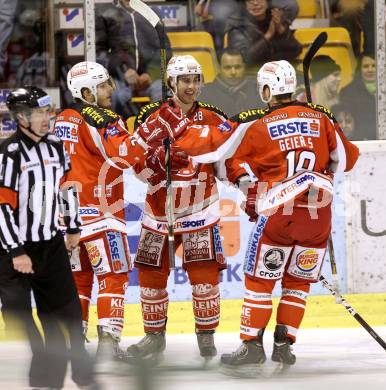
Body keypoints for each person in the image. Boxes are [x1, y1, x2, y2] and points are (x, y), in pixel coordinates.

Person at [140, 60, 359, 374]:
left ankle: (252, 346)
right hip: (319, 217)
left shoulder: (254, 120)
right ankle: (285, 343)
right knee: (297, 282)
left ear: (267, 89)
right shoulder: (322, 115)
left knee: (259, 281)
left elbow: (212, 148)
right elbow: (348, 159)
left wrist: (179, 135)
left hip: (279, 214)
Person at [54, 61, 186, 363]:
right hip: (101, 213)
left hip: (70, 216)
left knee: (80, 279)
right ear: (86, 91)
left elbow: (124, 160)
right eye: (103, 85)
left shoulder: (63, 117)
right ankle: (108, 344)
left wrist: (152, 165)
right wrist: (156, 127)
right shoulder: (102, 118)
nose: (111, 90)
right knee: (113, 276)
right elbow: (124, 154)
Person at [127, 55, 228, 362]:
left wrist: (247, 184)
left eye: (196, 79)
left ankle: (206, 337)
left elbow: (227, 162)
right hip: (159, 212)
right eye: (185, 80)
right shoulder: (153, 118)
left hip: (199, 211)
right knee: (151, 277)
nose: (192, 86)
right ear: (171, 83)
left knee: (204, 277)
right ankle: (154, 338)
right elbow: (135, 163)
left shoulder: (213, 117)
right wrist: (153, 163)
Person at [0, 86, 97, 389]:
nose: (47, 118)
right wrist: (16, 251)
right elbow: (2, 206)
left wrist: (73, 227)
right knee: (16, 312)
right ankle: (44, 367)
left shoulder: (55, 147)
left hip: (51, 243)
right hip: (12, 248)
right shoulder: (9, 155)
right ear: (21, 117)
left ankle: (80, 376)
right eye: (40, 113)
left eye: (48, 111)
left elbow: (65, 187)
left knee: (67, 313)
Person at [95, 0, 172, 119]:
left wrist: (150, 75)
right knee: (118, 95)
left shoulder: (151, 12)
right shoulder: (105, 12)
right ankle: (120, 134)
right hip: (117, 78)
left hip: (150, 79)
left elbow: (164, 49)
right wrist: (123, 71)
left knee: (162, 92)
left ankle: (158, 134)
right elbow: (99, 53)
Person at [225, 0, 301, 70]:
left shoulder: (274, 19)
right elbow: (242, 59)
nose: (255, 3)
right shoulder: (237, 25)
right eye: (250, 0)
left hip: (279, 74)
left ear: (267, 3)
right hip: (251, 76)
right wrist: (268, 36)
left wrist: (281, 31)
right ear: (244, 4)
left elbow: (296, 50)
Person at [200, 48, 262, 116]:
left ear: (244, 67)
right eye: (227, 67)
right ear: (219, 68)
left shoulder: (257, 90)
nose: (233, 72)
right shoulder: (204, 93)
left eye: (238, 67)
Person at [339, 53, 376, 140]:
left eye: (374, 66)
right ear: (360, 69)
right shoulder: (347, 92)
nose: (370, 70)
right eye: (366, 66)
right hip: (359, 141)